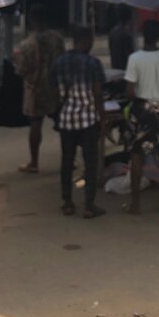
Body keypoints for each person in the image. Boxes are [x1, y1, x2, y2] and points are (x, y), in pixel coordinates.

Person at [50, 24, 106, 219]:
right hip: (88, 119)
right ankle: (89, 204)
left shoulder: (59, 62)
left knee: (67, 160)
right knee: (90, 162)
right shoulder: (93, 64)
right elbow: (98, 93)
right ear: (86, 41)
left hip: (66, 120)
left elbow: (54, 92)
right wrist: (102, 117)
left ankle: (67, 202)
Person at [124, 19, 159, 214]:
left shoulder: (135, 58)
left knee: (137, 154)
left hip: (141, 108)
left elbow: (130, 92)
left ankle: (136, 204)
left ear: (142, 34)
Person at [13, 6, 65, 172]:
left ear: (31, 21)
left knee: (36, 123)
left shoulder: (27, 44)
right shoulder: (57, 39)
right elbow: (64, 59)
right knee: (63, 123)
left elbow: (21, 70)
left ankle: (34, 162)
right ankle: (69, 159)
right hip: (56, 86)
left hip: (36, 88)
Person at [108, 4, 134, 71]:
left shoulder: (112, 32)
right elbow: (129, 57)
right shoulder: (126, 35)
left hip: (115, 70)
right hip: (124, 71)